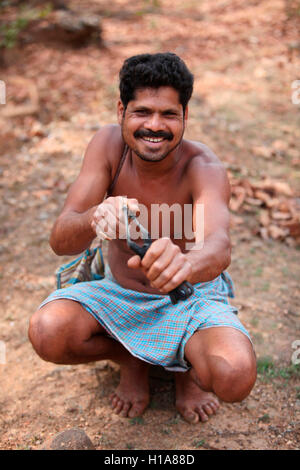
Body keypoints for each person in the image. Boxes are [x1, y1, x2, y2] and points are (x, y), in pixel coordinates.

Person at [28, 53, 256, 424]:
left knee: (234, 375)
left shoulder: (204, 166)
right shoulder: (107, 147)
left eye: (169, 114)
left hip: (188, 298)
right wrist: (95, 219)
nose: (155, 125)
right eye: (142, 112)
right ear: (121, 111)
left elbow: (219, 246)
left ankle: (183, 369)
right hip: (117, 292)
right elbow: (60, 240)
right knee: (47, 331)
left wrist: (186, 264)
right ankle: (130, 358)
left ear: (185, 116)